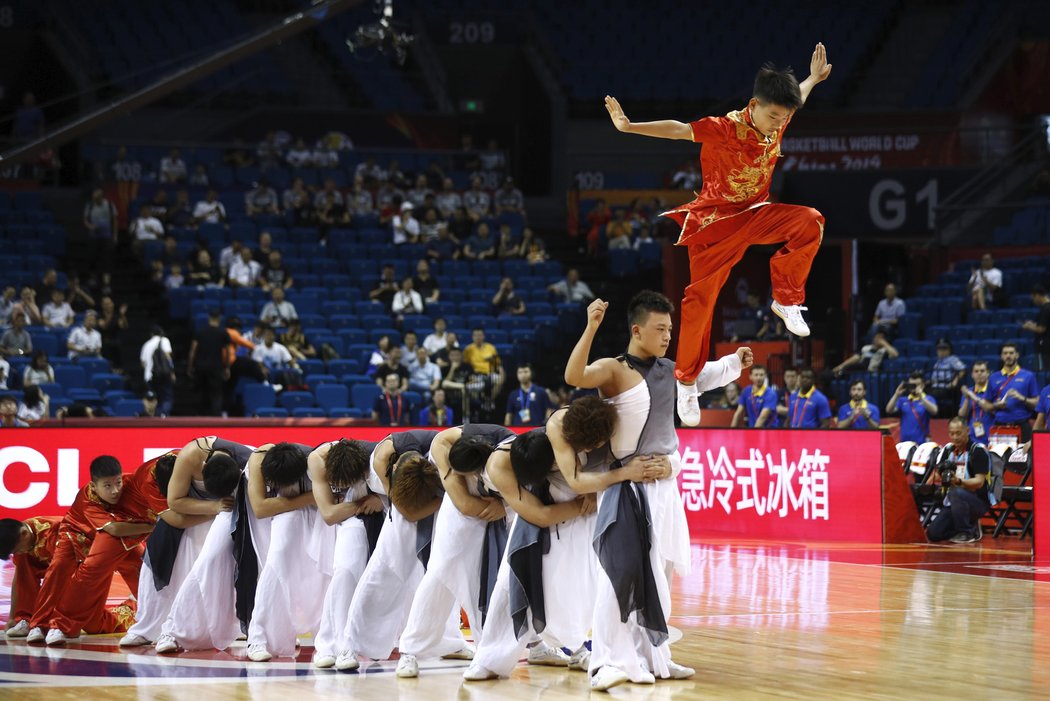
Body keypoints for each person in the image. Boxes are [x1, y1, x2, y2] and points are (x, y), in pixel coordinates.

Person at [605, 44, 832, 427]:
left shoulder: (779, 116)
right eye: (773, 115)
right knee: (699, 303)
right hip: (715, 224)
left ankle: (787, 299)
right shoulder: (726, 128)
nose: (779, 123)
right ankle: (688, 381)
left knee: (810, 220)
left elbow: (797, 99)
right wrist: (629, 127)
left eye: (784, 117)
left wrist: (811, 79)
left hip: (756, 214)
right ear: (753, 105)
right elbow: (679, 130)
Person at [563, 292, 746, 689]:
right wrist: (591, 326)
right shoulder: (613, 369)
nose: (667, 336)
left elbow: (704, 375)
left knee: (660, 572)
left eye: (670, 329)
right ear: (636, 330)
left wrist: (735, 362)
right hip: (626, 486)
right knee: (619, 574)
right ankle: (607, 661)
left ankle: (654, 656)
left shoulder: (671, 370)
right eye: (660, 329)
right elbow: (574, 376)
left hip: (665, 487)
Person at [465, 406, 659, 682]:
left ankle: (584, 648)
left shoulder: (581, 430)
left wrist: (592, 488)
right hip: (549, 507)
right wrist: (584, 499)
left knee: (582, 581)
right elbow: (543, 512)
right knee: (512, 578)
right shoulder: (504, 463)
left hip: (583, 499)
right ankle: (490, 658)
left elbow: (583, 477)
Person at [119, 444, 238, 648]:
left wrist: (221, 511)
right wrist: (216, 510)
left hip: (216, 522)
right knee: (162, 573)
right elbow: (176, 518)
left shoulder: (190, 460)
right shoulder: (147, 481)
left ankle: (228, 626)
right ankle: (150, 628)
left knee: (212, 573)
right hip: (183, 525)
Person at [152, 438, 260, 654]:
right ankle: (171, 629)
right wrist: (214, 505)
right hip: (224, 506)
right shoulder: (190, 455)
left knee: (260, 562)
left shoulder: (253, 459)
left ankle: (262, 632)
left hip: (249, 500)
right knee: (209, 558)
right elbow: (174, 501)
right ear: (203, 468)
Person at [25, 456, 146, 644]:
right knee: (58, 570)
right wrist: (154, 526)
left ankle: (154, 618)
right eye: (107, 486)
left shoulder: (131, 485)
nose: (115, 491)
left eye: (118, 482)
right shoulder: (87, 498)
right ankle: (40, 625)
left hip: (116, 538)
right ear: (94, 485)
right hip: (77, 534)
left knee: (145, 570)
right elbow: (114, 528)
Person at [307, 439, 385, 668]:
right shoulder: (318, 459)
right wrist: (363, 502)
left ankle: (376, 640)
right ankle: (334, 645)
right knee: (345, 572)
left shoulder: (377, 456)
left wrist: (380, 499)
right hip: (347, 519)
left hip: (383, 514)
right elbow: (329, 514)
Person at [926, 417, 992, 544]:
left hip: (977, 501)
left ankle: (967, 532)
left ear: (967, 431)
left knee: (955, 492)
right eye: (951, 433)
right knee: (933, 534)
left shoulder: (978, 451)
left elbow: (979, 482)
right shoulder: (948, 450)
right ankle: (966, 528)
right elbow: (938, 475)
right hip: (953, 502)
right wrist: (941, 475)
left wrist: (959, 482)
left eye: (958, 433)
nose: (955, 437)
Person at [0, 515, 62, 636]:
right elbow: (19, 579)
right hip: (52, 563)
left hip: (79, 566)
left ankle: (56, 621)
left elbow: (59, 579)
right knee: (24, 564)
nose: (18, 553)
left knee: (94, 624)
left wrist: (41, 620)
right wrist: (12, 617)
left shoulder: (55, 531)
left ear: (24, 534)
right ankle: (25, 619)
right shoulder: (20, 539)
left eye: (17, 550)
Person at [988, 342, 1039, 442]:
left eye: (1011, 353)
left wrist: (1022, 398)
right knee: (999, 457)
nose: (1008, 356)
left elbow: (1037, 404)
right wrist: (995, 405)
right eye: (1005, 353)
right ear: (1001, 356)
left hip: (1021, 425)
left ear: (1017, 355)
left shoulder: (1028, 376)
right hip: (1000, 425)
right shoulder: (993, 377)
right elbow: (986, 405)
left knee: (1023, 457)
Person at [188, 309, 231, 416]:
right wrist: (227, 367)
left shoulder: (200, 332)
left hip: (201, 366)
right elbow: (227, 352)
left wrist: (190, 366)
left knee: (202, 392)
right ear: (219, 319)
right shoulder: (223, 333)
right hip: (216, 367)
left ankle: (201, 416)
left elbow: (193, 351)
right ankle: (216, 418)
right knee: (216, 393)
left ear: (209, 319)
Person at [885, 371, 937, 443]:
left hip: (921, 443)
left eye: (917, 385)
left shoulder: (928, 399)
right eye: (912, 385)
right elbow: (889, 410)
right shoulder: (903, 400)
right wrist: (896, 394)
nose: (914, 387)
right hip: (905, 443)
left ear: (922, 385)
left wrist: (921, 397)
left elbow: (934, 411)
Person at [140, 325, 175, 417]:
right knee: (167, 398)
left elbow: (143, 364)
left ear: (151, 334)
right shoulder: (164, 340)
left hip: (149, 376)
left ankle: (152, 420)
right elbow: (168, 357)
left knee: (153, 399)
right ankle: (163, 416)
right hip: (164, 375)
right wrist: (172, 372)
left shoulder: (146, 345)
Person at [831, 330, 899, 375]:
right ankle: (839, 371)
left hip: (869, 371)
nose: (878, 339)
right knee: (829, 374)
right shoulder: (866, 348)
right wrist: (840, 366)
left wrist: (884, 343)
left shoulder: (884, 351)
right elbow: (855, 358)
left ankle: (840, 372)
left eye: (881, 338)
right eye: (877, 337)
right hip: (859, 368)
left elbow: (895, 354)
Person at [959, 361, 994, 446]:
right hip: (972, 437)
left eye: (982, 371)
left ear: (988, 373)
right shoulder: (969, 392)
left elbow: (994, 410)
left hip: (991, 437)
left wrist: (972, 396)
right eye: (976, 371)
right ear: (972, 374)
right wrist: (967, 398)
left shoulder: (994, 391)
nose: (979, 374)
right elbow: (962, 415)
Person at [928, 340, 967, 416]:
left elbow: (962, 370)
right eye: (939, 349)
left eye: (944, 349)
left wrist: (955, 381)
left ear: (949, 350)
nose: (941, 351)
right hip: (935, 386)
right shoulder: (938, 362)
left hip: (946, 387)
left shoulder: (953, 359)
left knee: (931, 396)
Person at [1021, 284, 1050, 370]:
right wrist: (1033, 324)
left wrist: (1028, 326)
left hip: (1046, 347)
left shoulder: (1046, 308)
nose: (1033, 300)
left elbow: (1041, 329)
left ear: (1037, 295)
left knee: (1045, 370)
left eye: (1033, 298)